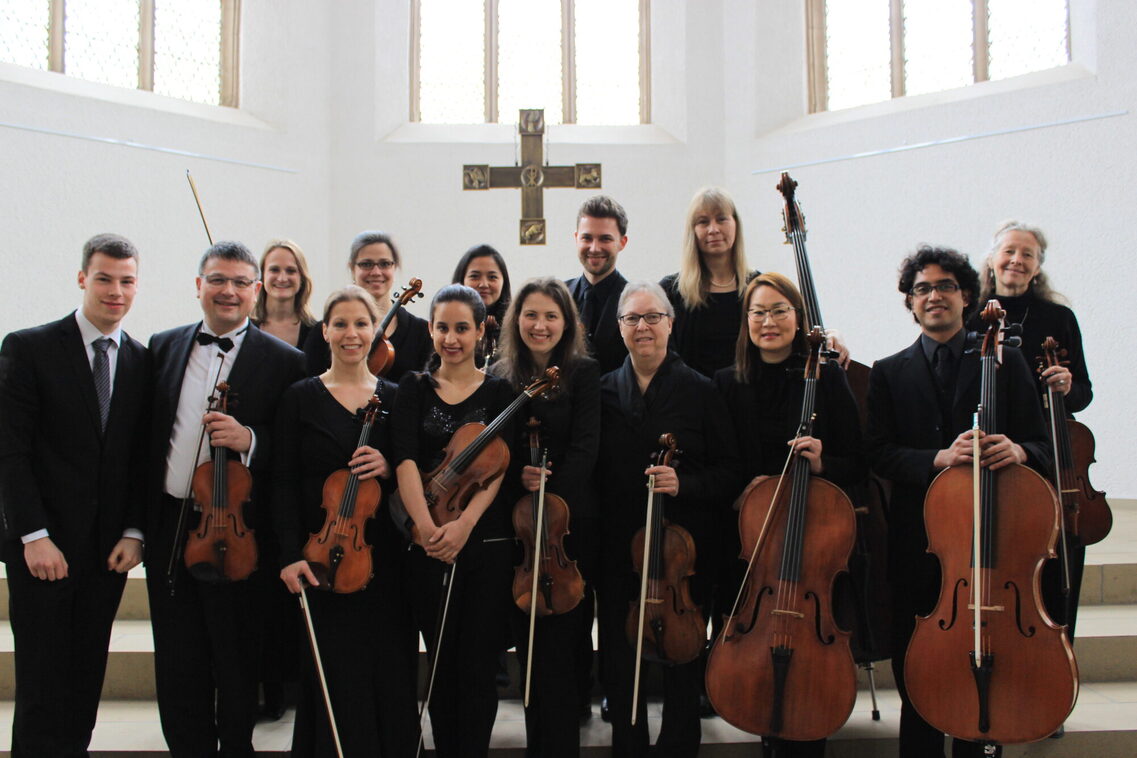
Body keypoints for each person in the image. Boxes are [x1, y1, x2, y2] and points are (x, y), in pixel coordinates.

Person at [866, 246, 1050, 758]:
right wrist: (938, 459)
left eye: (944, 286)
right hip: (920, 548)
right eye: (922, 288)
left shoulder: (1005, 361)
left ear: (967, 296)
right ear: (910, 302)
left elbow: (1044, 446)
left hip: (993, 547)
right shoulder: (888, 371)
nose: (933, 296)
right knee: (918, 676)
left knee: (980, 682)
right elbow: (877, 454)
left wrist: (1016, 448)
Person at [145, 240, 305, 757]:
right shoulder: (162, 347)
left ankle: (236, 748)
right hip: (172, 524)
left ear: (256, 291)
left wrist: (251, 440)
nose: (228, 291)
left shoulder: (286, 360)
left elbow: (299, 447)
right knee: (177, 658)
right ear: (198, 287)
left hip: (239, 532)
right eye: (217, 280)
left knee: (236, 659)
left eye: (240, 282)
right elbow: (142, 440)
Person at [0, 233, 148, 757]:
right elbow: (10, 452)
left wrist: (134, 531)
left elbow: (138, 459)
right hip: (43, 546)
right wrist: (33, 535)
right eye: (104, 278)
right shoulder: (29, 346)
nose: (115, 290)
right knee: (42, 685)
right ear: (83, 278)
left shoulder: (140, 360)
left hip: (106, 552)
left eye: (126, 280)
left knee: (85, 681)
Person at [712, 272, 865, 758]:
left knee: (810, 659)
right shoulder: (727, 382)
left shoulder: (827, 375)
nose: (768, 321)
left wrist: (822, 462)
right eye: (758, 312)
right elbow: (720, 461)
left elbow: (861, 462)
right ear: (746, 322)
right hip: (753, 540)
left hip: (814, 539)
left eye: (779, 310)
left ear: (799, 318)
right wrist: (742, 492)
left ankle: (809, 729)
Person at [595, 281, 738, 757]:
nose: (643, 327)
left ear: (670, 324)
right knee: (621, 663)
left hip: (684, 554)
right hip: (619, 551)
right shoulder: (602, 392)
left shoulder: (701, 389)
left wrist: (686, 484)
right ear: (619, 328)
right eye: (632, 319)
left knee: (681, 663)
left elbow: (730, 472)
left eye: (652, 317)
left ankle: (679, 747)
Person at [274, 286, 418, 756]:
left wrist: (389, 467)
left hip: (385, 562)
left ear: (375, 331)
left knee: (387, 672)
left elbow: (415, 478)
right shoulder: (300, 397)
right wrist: (290, 556)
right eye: (341, 324)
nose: (352, 334)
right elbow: (282, 482)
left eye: (361, 324)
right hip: (321, 562)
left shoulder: (398, 396)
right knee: (335, 677)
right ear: (325, 331)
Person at [391, 284, 517, 757]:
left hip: (483, 547)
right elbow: (404, 461)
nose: (452, 337)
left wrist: (464, 527)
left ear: (481, 330)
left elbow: (496, 473)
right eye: (442, 327)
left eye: (462, 327)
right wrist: (426, 529)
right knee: (441, 662)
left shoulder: (501, 391)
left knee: (479, 664)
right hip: (425, 545)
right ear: (430, 329)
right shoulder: (413, 388)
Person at [488, 277, 600, 757]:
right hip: (516, 531)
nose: (540, 324)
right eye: (531, 315)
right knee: (530, 650)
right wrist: (521, 482)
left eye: (551, 316)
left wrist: (550, 490)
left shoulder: (584, 374)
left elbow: (586, 448)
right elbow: (495, 452)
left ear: (567, 322)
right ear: (517, 321)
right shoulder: (500, 376)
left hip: (566, 529)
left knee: (562, 648)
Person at [974, 220, 1093, 655]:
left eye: (1028, 254)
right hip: (985, 452)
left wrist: (1066, 384)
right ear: (992, 258)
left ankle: (1056, 668)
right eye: (1009, 251)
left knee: (1057, 566)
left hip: (1045, 456)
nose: (1017, 261)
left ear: (1038, 266)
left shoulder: (1059, 318)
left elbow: (1083, 393)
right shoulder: (970, 312)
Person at [303, 230, 432, 382]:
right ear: (352, 268)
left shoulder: (421, 333)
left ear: (394, 267)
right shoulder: (322, 333)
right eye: (366, 264)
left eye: (385, 264)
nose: (376, 272)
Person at [661, 187, 756, 379]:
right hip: (692, 401)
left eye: (721, 219)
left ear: (735, 224)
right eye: (703, 222)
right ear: (692, 231)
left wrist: (831, 336)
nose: (713, 229)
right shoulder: (669, 291)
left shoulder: (758, 288)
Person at [566, 195, 631, 374]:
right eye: (587, 238)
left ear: (622, 243)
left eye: (605, 239)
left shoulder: (635, 300)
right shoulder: (558, 297)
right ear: (576, 238)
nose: (594, 248)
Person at [453, 243, 511, 367]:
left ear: (503, 281)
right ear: (462, 280)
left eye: (492, 277)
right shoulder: (447, 326)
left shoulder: (515, 327)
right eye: (474, 276)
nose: (484, 284)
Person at [252, 239, 317, 349]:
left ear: (301, 278)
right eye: (274, 270)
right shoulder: (244, 328)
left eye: (291, 271)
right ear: (262, 276)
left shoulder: (317, 333)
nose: (282, 278)